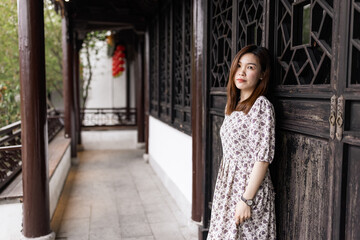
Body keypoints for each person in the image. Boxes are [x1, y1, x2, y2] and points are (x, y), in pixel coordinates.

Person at [207, 45, 276, 240]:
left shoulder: (260, 106)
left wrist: (247, 199)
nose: (242, 72)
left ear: (262, 74)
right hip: (228, 189)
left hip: (247, 191)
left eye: (251, 67)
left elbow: (262, 158)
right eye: (239, 66)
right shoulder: (234, 106)